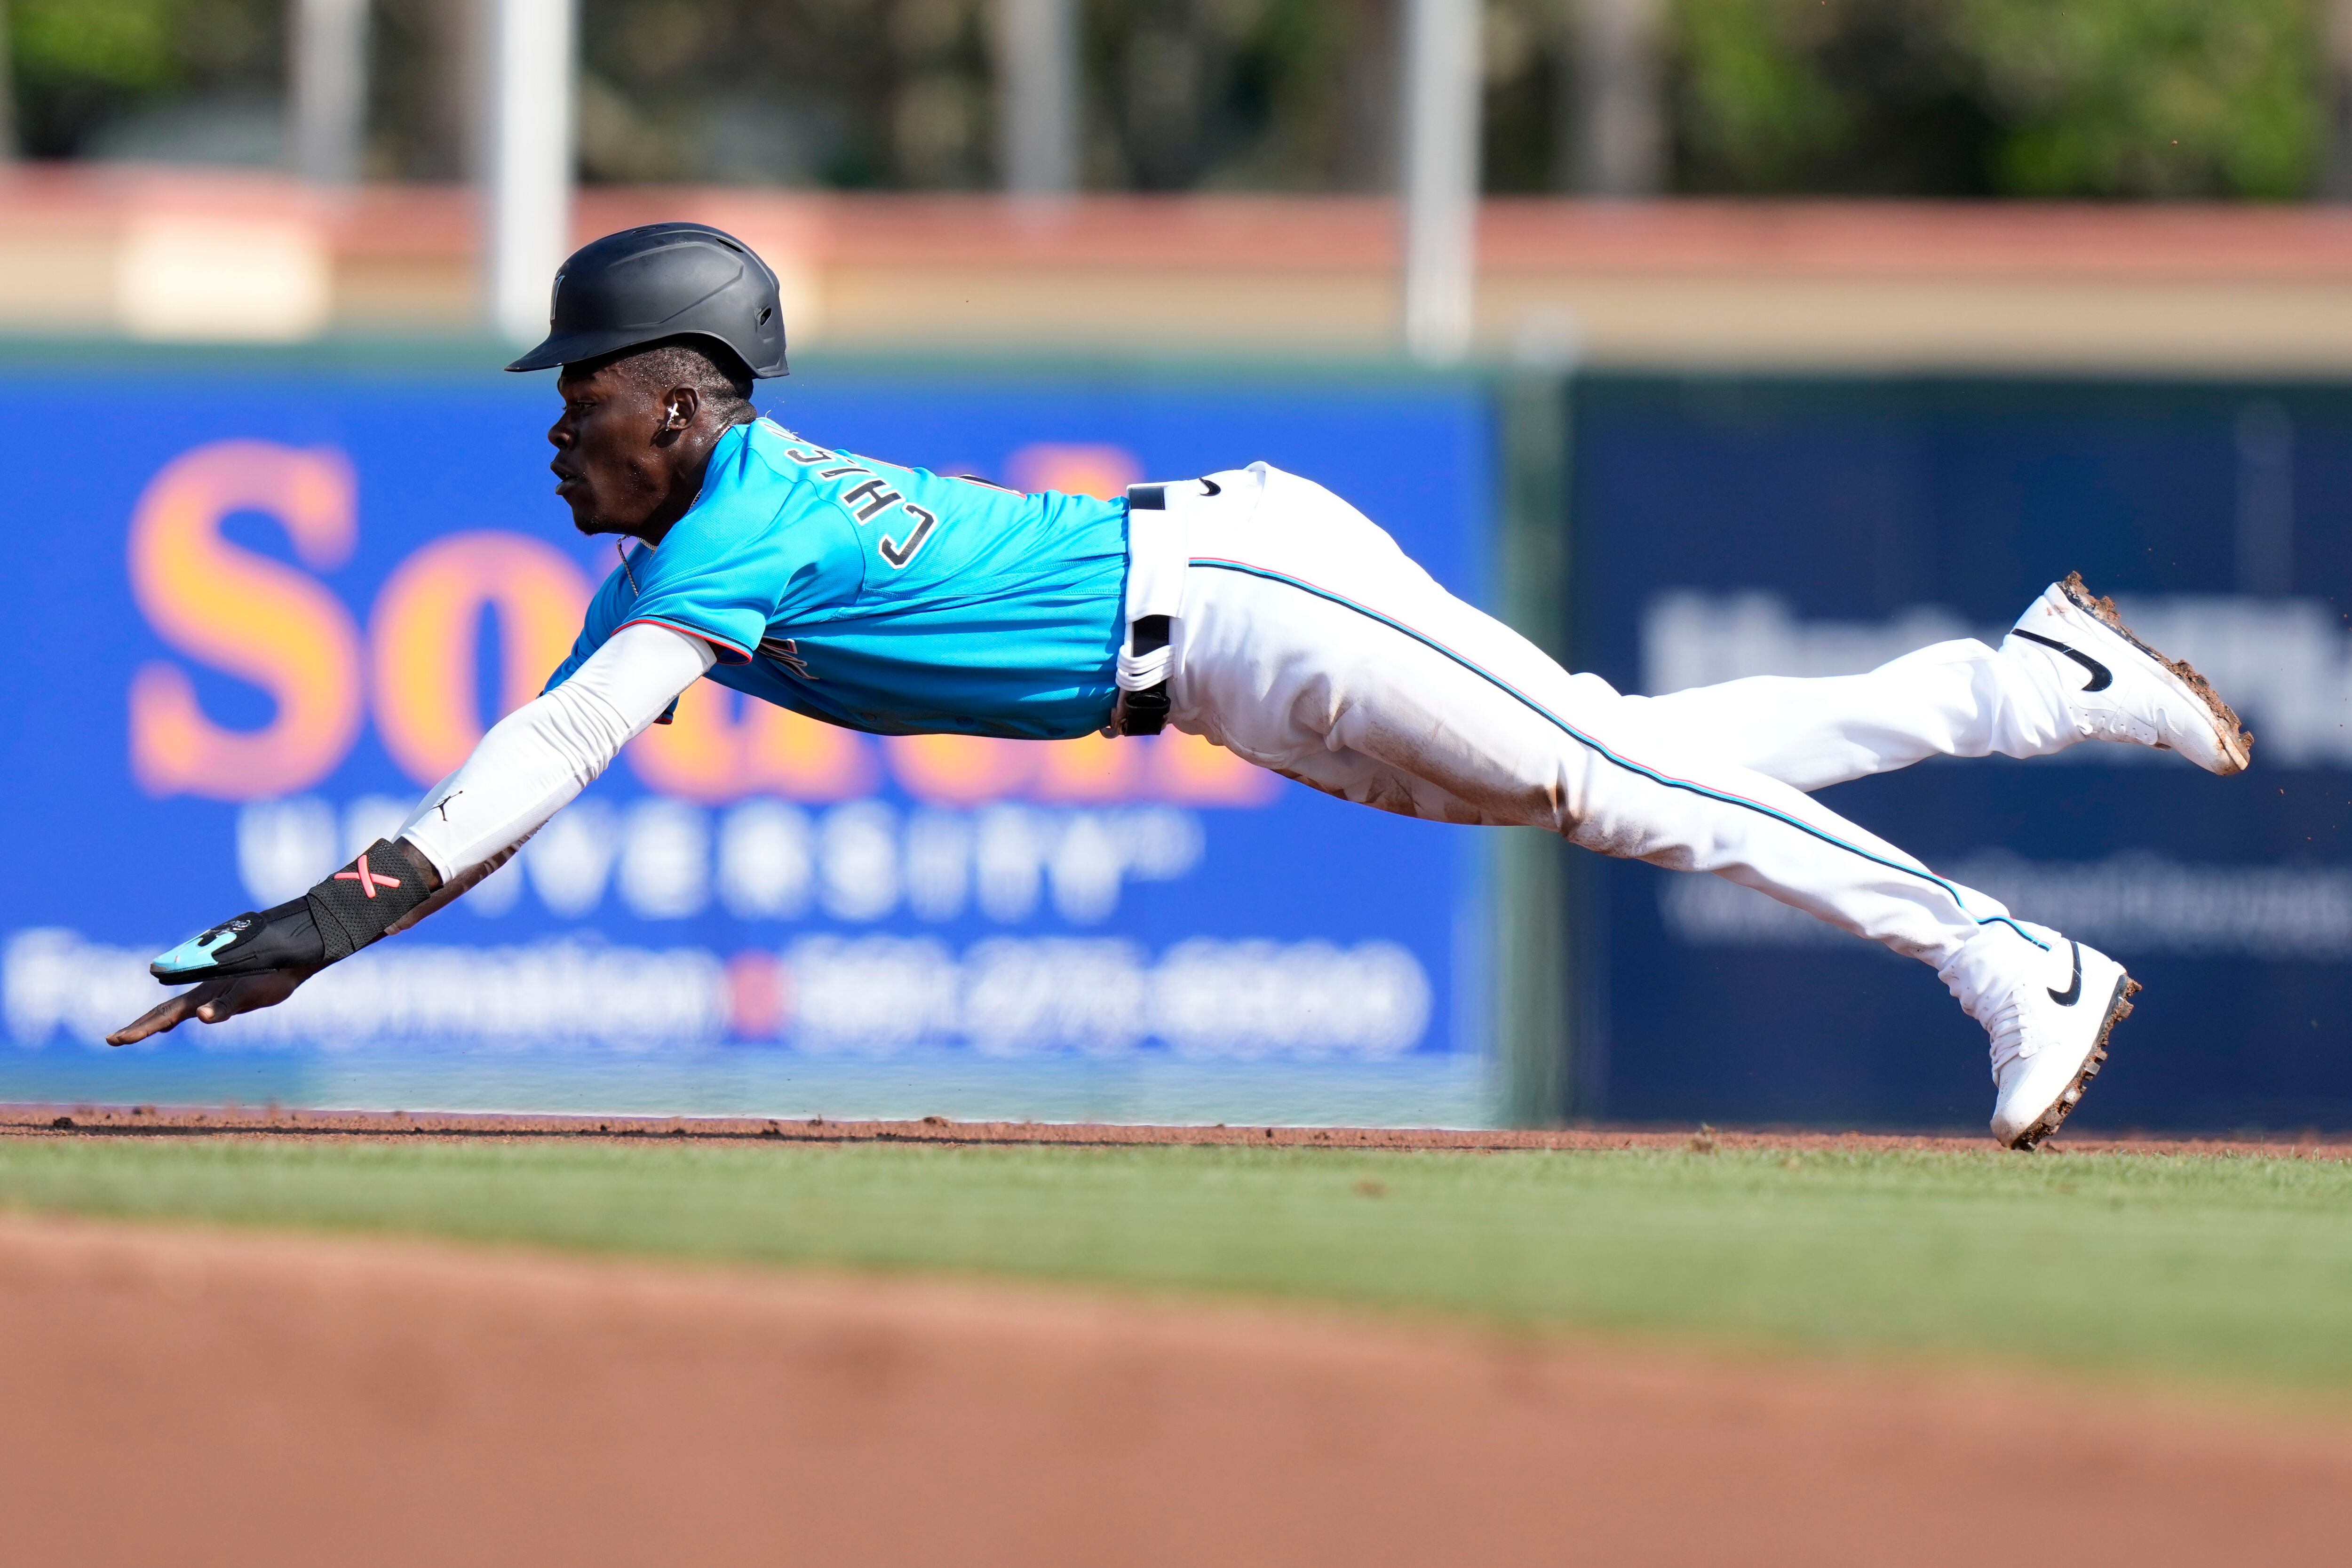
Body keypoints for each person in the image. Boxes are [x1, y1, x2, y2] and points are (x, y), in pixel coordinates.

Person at [108, 222, 2254, 1148]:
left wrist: (308, 929)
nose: (555, 431)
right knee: (1609, 757)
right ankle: (2019, 685)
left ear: (680, 398)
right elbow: (528, 768)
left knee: (1612, 778)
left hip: (1240, 583)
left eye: (582, 395)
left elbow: (532, 768)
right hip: (1217, 675)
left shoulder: (726, 530)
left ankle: (2007, 955)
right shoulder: (698, 547)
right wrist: (319, 930)